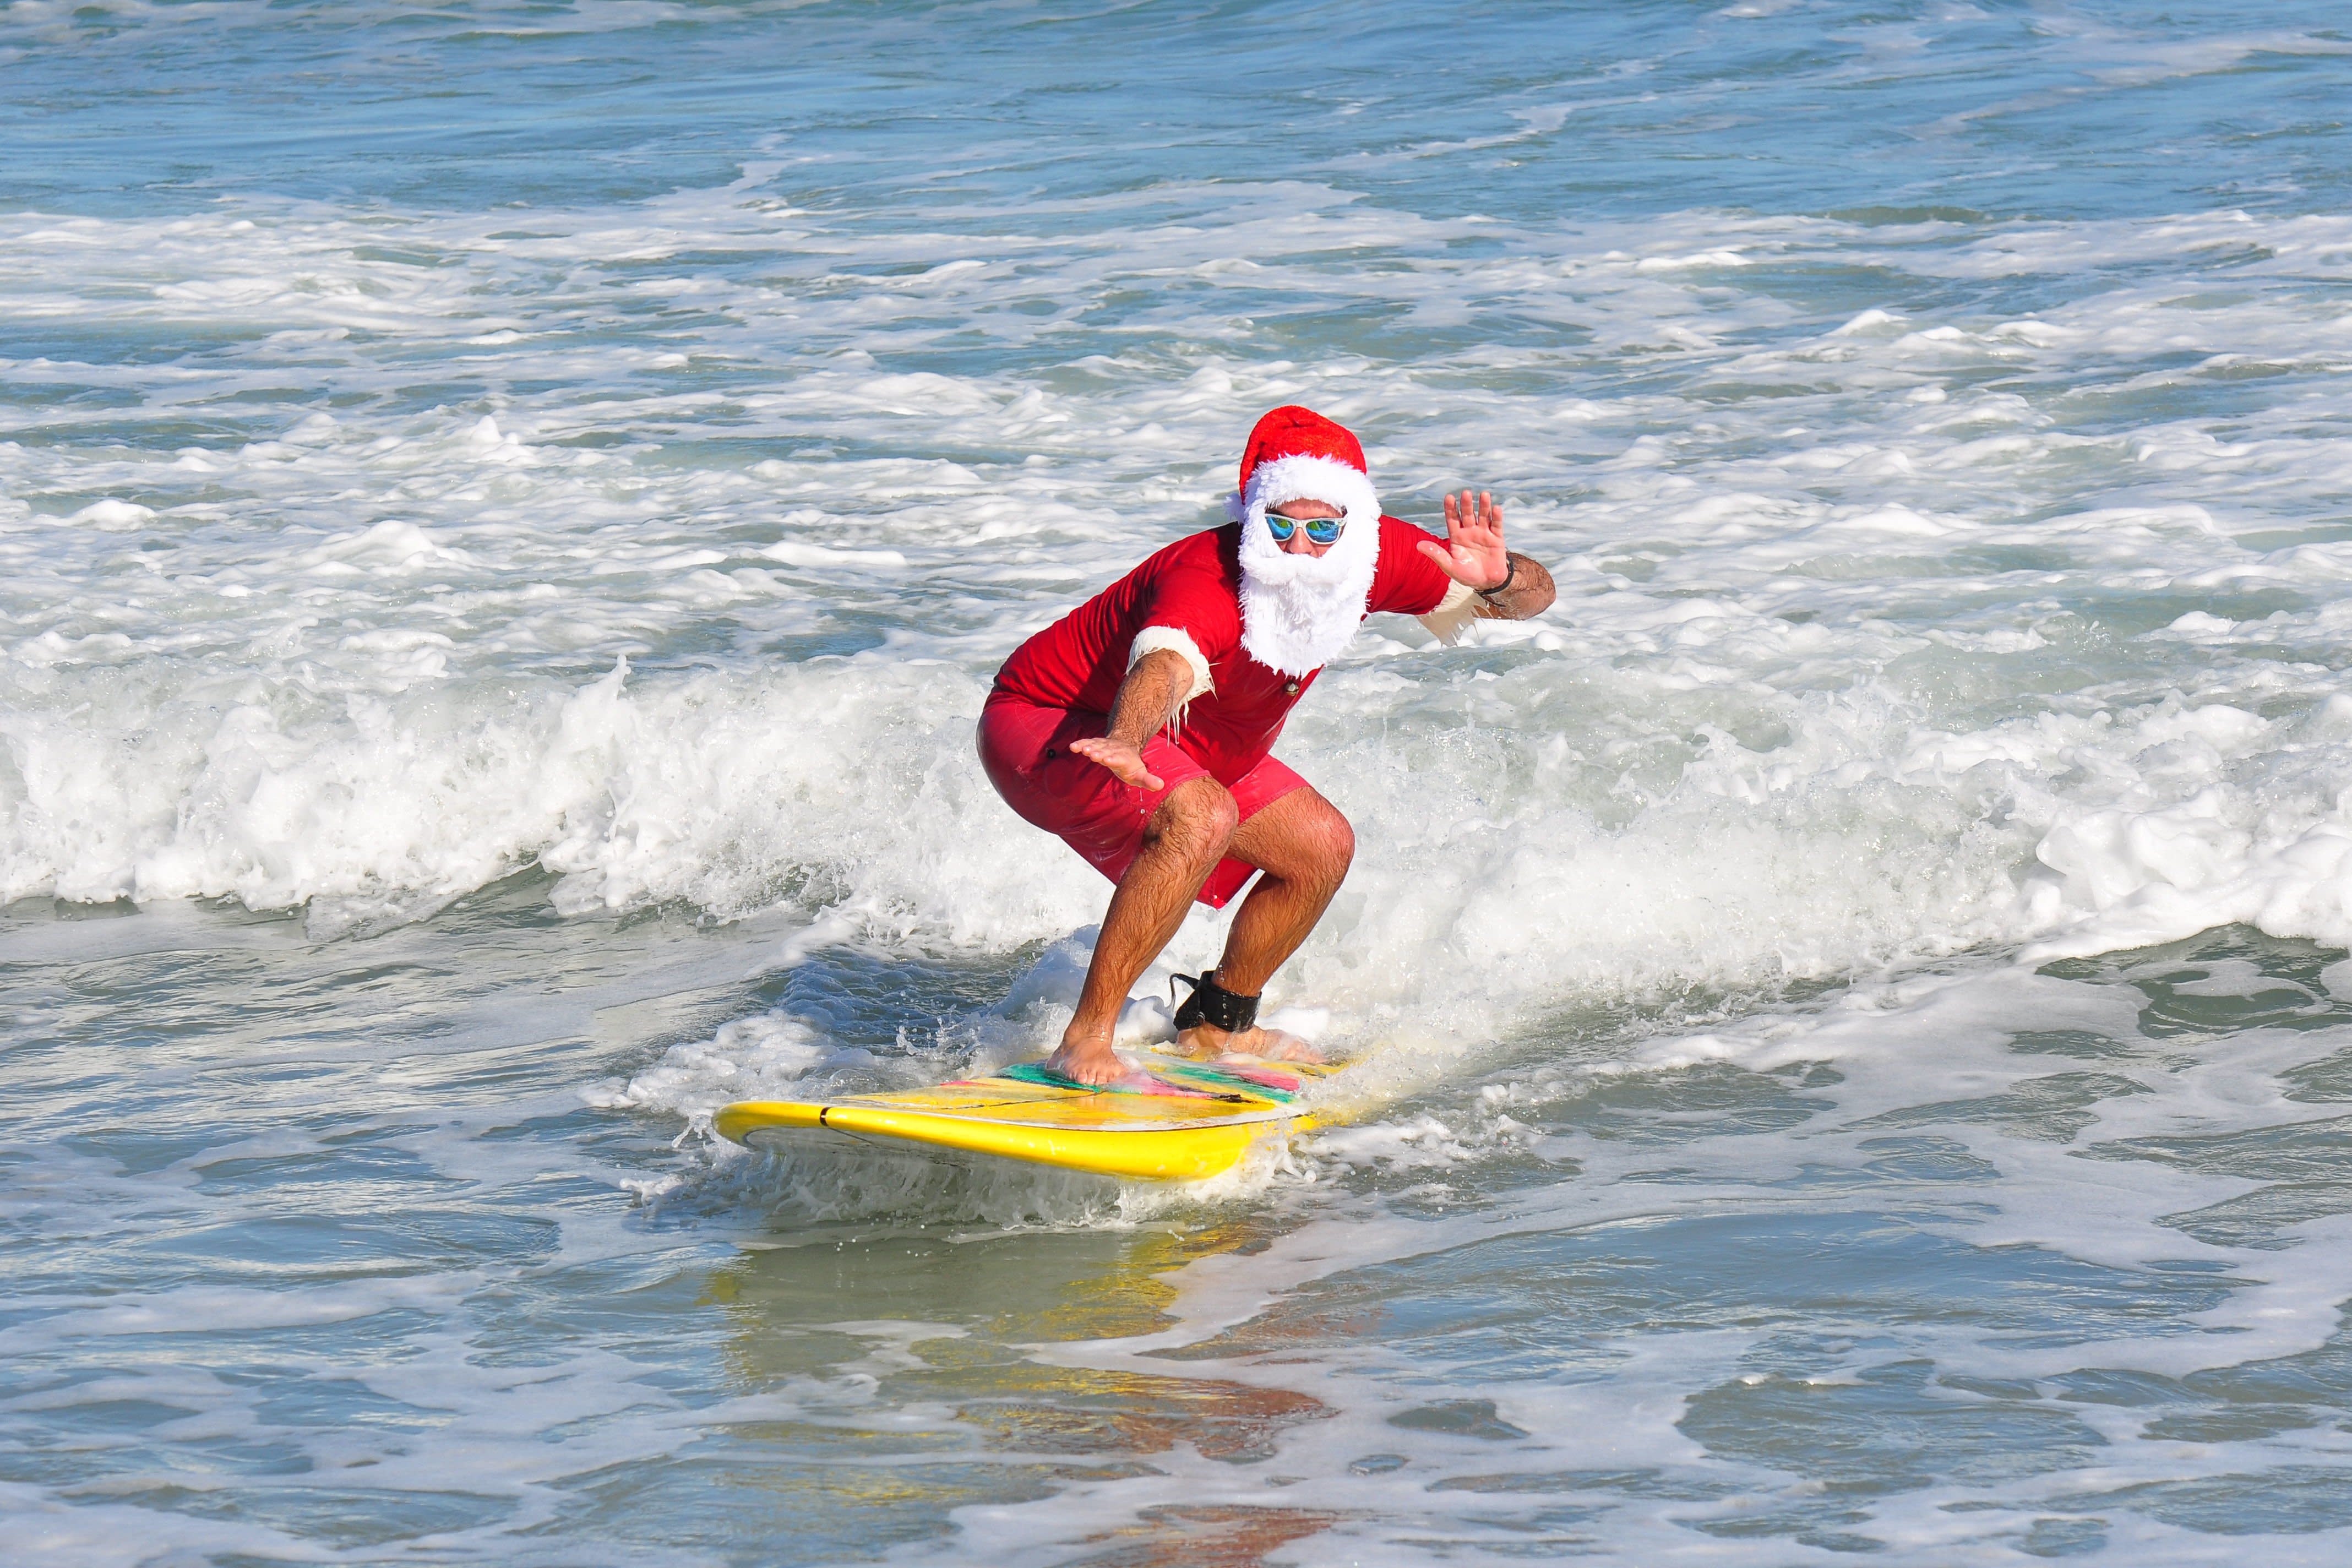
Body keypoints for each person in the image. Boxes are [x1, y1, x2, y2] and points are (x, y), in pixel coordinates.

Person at [978, 406, 1557, 1085]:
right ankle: (1086, 1041)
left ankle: (1219, 1026)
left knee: (1320, 844)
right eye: (1280, 526)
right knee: (1202, 816)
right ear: (1255, 517)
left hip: (1194, 740)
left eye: (1322, 528)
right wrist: (1126, 740)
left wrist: (1499, 578)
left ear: (1352, 522)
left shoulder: (1381, 554)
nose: (1301, 548)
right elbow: (1162, 666)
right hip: (1052, 723)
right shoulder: (1208, 576)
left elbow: (1530, 602)